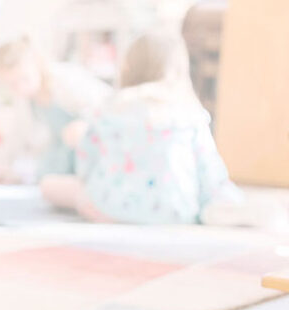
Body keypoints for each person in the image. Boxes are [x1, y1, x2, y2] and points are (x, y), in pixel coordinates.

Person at [41, 31, 277, 226]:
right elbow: (210, 172)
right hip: (176, 212)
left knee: (51, 185)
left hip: (109, 208)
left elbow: (87, 164)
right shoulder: (189, 113)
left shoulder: (110, 106)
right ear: (178, 71)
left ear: (128, 67)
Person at [0, 37, 112, 178]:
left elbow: (107, 106)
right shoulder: (27, 100)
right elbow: (18, 136)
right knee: (42, 174)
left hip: (92, 146)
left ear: (37, 65)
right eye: (13, 84)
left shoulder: (66, 79)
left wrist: (85, 125)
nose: (20, 87)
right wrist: (2, 164)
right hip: (64, 155)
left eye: (24, 78)